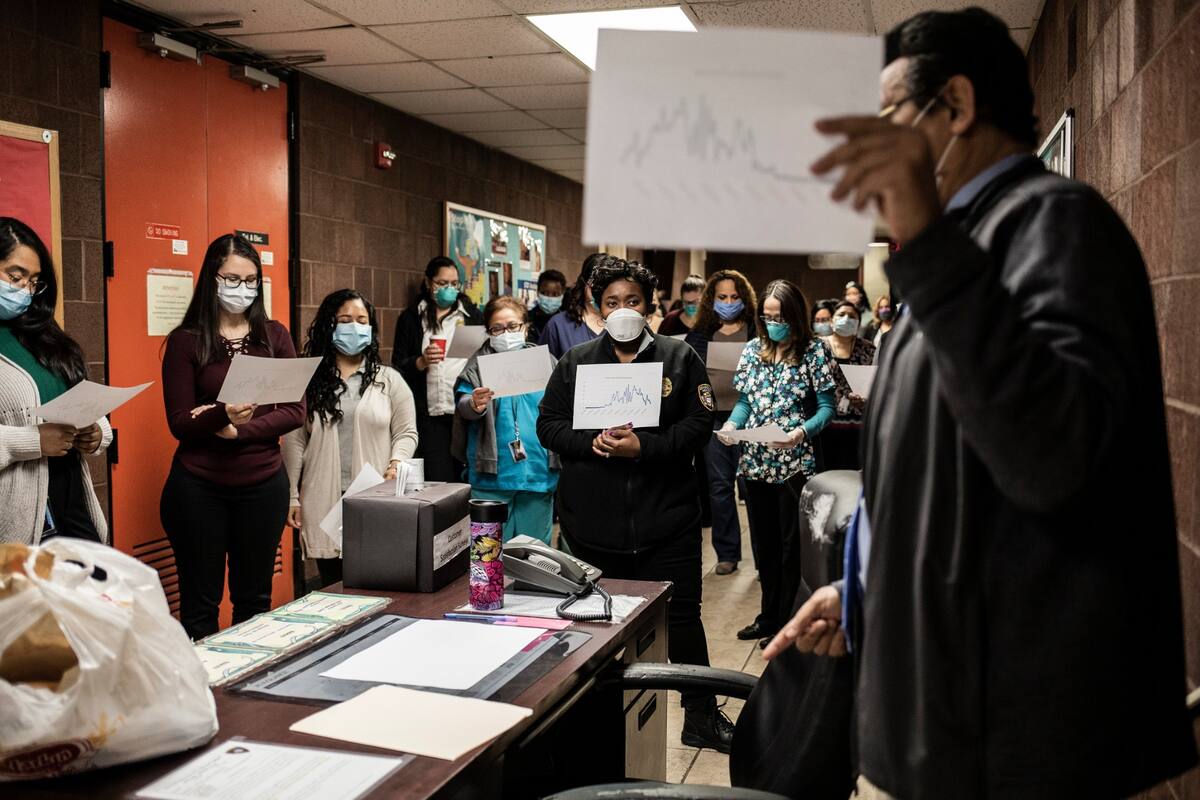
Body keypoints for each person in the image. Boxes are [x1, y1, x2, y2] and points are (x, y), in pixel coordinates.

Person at [766, 8, 1197, 799]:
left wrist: (925, 241)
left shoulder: (1055, 225)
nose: (874, 142)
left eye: (891, 116)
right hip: (944, 713)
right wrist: (862, 585)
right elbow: (938, 465)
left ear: (955, 107)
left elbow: (1053, 457)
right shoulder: (957, 251)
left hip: (1011, 743)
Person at [537, 255, 733, 753]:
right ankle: (593, 716)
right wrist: (593, 443)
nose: (622, 310)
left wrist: (645, 447)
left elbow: (698, 426)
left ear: (649, 308)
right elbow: (549, 425)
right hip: (591, 527)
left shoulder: (678, 357)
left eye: (632, 302)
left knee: (684, 619)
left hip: (667, 522)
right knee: (594, 625)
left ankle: (701, 716)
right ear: (598, 310)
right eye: (611, 303)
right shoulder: (577, 361)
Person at [160, 234, 304, 639]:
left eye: (251, 280)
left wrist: (235, 430)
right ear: (211, 278)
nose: (242, 289)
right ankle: (205, 697)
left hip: (263, 487)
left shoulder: (274, 336)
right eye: (232, 278)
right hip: (198, 489)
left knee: (255, 602)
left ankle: (246, 695)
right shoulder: (186, 340)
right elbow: (179, 421)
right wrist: (221, 414)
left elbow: (295, 411)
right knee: (200, 606)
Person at [717, 279, 835, 646]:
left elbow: (827, 408)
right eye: (767, 317)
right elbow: (746, 401)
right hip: (755, 462)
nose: (773, 323)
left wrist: (800, 433)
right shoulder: (754, 349)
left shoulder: (815, 351)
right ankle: (768, 616)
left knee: (790, 551)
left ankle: (788, 621)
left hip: (794, 464)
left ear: (795, 316)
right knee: (764, 549)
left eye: (780, 316)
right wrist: (733, 423)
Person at [284, 289, 418, 588]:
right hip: (323, 498)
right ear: (329, 325)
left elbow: (406, 431)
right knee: (334, 586)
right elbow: (294, 442)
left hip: (375, 497)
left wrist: (396, 462)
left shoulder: (389, 380)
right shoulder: (308, 380)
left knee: (376, 584)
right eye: (345, 320)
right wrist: (292, 495)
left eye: (361, 320)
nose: (354, 327)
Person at [0, 217, 110, 545]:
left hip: (69, 501)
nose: (25, 291)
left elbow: (78, 399)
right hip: (14, 524)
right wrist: (31, 441)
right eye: (15, 277)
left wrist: (95, 431)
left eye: (34, 282)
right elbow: (32, 431)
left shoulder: (44, 336)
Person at [452, 296, 558, 544]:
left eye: (512, 326)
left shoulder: (546, 363)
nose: (505, 333)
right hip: (491, 477)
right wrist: (475, 404)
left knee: (535, 556)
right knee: (487, 557)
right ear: (488, 332)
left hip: (537, 473)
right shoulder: (476, 367)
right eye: (497, 328)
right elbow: (464, 405)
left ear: (526, 326)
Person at [684, 269, 758, 575]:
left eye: (734, 297)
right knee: (719, 488)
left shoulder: (757, 331)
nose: (728, 303)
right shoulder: (700, 334)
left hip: (752, 418)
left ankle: (763, 555)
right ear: (711, 301)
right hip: (713, 421)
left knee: (753, 486)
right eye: (722, 297)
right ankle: (727, 554)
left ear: (744, 300)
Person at [392, 256, 483, 483]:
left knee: (465, 478)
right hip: (429, 414)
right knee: (439, 478)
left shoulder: (472, 315)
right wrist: (420, 362)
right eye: (442, 283)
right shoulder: (412, 317)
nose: (449, 289)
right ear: (428, 283)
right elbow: (398, 362)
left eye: (454, 284)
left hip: (464, 410)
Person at [822, 301, 875, 471]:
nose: (846, 319)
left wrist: (866, 399)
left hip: (858, 427)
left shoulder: (868, 349)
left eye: (852, 316)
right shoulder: (817, 347)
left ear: (859, 323)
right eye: (841, 314)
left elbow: (875, 384)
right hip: (824, 426)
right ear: (831, 320)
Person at [538, 253, 605, 358]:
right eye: (596, 286)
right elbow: (542, 369)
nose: (601, 292)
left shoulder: (621, 324)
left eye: (607, 286)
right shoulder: (558, 326)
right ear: (584, 284)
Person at [526, 269, 567, 343]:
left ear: (562, 294)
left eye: (555, 294)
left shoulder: (567, 322)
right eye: (545, 293)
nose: (549, 298)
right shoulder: (527, 319)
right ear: (538, 292)